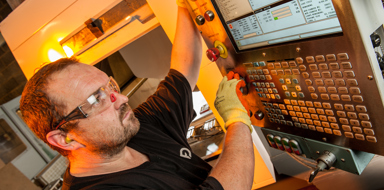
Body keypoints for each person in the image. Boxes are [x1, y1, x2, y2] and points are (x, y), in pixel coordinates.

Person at [20, 2, 255, 190]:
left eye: (110, 86)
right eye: (95, 99)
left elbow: (182, 72)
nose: (121, 99)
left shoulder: (134, 128)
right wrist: (236, 119)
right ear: (65, 139)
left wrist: (187, 5)